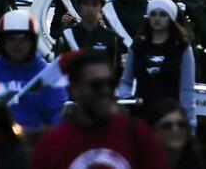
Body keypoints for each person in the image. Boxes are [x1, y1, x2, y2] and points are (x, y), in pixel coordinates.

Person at [33, 49, 170, 169]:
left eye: (111, 83)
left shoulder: (138, 137)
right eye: (96, 85)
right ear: (74, 89)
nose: (105, 90)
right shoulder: (53, 146)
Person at [0, 10, 68, 132]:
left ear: (33, 41)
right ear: (2, 41)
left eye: (23, 39)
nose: (17, 44)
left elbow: (58, 122)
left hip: (38, 145)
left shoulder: (49, 76)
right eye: (11, 39)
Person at [118, 0, 197, 131]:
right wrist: (127, 98)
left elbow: (187, 89)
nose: (157, 18)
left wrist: (190, 121)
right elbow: (126, 81)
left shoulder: (182, 47)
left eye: (163, 15)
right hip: (142, 115)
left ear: (171, 18)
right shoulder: (138, 45)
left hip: (170, 117)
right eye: (153, 14)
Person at [53, 0, 120, 69]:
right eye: (86, 4)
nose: (90, 9)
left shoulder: (111, 36)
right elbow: (58, 69)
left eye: (94, 4)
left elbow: (115, 70)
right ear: (79, 7)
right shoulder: (67, 35)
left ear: (101, 7)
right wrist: (63, 24)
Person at [149, 98, 206, 169]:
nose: (175, 129)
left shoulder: (202, 156)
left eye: (181, 124)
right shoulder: (144, 160)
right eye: (167, 126)